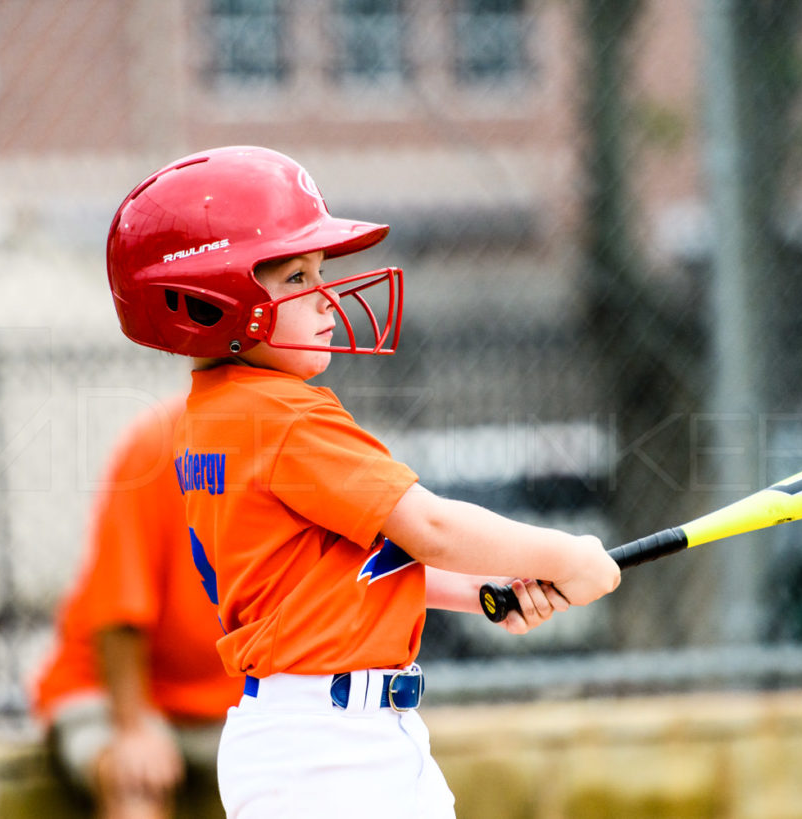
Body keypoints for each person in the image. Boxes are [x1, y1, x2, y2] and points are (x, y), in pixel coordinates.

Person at [104, 145, 621, 817]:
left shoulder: (212, 417)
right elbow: (428, 526)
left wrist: (480, 590)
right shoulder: (284, 416)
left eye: (319, 270)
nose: (325, 296)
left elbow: (339, 573)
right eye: (294, 277)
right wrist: (567, 556)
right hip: (331, 750)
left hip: (324, 736)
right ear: (210, 301)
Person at [31, 396, 244, 819]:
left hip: (237, 701)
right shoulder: (161, 444)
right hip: (115, 690)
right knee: (135, 784)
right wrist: (132, 729)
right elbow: (119, 607)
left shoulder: (311, 445)